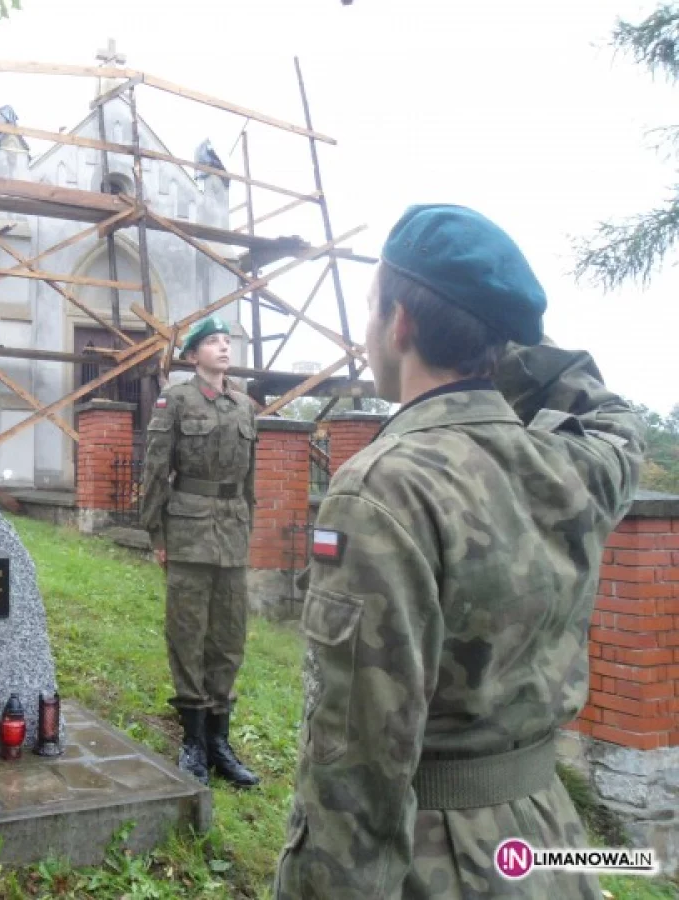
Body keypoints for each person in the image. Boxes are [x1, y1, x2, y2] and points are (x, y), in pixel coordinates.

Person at [274, 205, 644, 897]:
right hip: (548, 847)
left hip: (439, 860)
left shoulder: (385, 488)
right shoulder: (576, 465)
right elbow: (613, 416)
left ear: (401, 323)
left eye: (372, 306)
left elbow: (353, 771)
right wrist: (496, 332)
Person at [140, 314, 260, 789]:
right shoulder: (176, 399)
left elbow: (250, 479)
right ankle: (192, 740)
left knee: (229, 635)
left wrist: (247, 527)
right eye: (213, 341)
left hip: (231, 532)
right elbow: (154, 468)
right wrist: (157, 533)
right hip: (187, 531)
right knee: (188, 631)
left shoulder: (245, 405)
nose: (224, 348)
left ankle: (219, 741)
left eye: (227, 340)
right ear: (193, 355)